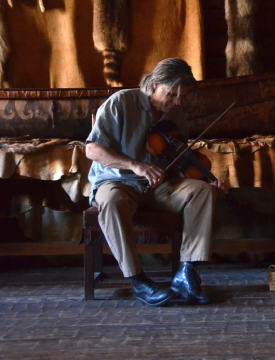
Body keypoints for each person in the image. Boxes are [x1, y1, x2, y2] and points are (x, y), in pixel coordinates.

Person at [85, 58, 228, 307]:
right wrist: (135, 165)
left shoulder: (175, 115)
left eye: (182, 96)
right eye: (171, 94)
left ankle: (187, 272)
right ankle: (139, 281)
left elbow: (176, 159)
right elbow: (92, 150)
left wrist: (208, 181)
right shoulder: (121, 102)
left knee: (202, 192)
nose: (176, 102)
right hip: (118, 181)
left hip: (158, 185)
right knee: (111, 201)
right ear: (153, 84)